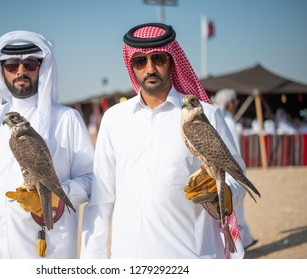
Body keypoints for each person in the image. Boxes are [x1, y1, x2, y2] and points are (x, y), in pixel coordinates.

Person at [81, 23, 247, 259]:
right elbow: (101, 199)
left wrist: (225, 192)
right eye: (140, 61)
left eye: (158, 58)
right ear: (131, 65)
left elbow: (237, 176)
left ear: (172, 60)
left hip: (193, 257)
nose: (150, 68)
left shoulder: (207, 115)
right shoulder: (114, 119)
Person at [0, 31, 94, 259]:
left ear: (42, 67)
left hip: (45, 252)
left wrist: (58, 194)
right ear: (1, 70)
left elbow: (91, 179)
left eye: (30, 63)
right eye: (11, 64)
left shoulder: (67, 119)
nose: (21, 71)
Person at [213, 88, 257, 249]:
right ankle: (237, 246)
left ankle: (241, 242)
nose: (235, 105)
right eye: (234, 102)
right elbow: (234, 154)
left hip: (225, 173)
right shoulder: (228, 122)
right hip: (231, 174)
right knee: (235, 211)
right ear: (230, 103)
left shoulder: (220, 118)